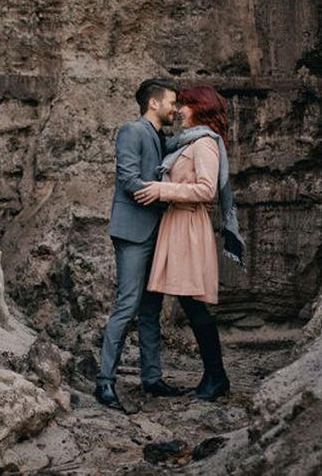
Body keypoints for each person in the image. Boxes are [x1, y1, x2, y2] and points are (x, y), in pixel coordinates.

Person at [134, 85, 245, 401]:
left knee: (194, 304)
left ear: (199, 108)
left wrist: (161, 190)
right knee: (190, 303)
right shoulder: (189, 142)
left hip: (190, 227)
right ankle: (214, 376)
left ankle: (217, 377)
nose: (179, 110)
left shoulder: (205, 144)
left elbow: (206, 190)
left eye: (185, 105)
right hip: (178, 225)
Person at [94, 78, 184, 411]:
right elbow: (128, 178)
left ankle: (152, 378)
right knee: (127, 304)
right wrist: (163, 193)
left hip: (158, 231)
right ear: (154, 103)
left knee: (151, 309)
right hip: (133, 230)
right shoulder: (132, 131)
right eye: (171, 102)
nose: (175, 108)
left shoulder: (164, 139)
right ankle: (104, 382)